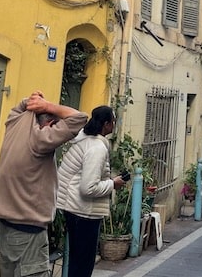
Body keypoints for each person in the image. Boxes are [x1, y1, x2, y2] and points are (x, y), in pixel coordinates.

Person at [0, 91, 87, 277]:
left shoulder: (14, 123)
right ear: (50, 124)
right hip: (28, 231)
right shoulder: (41, 139)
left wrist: (34, 100)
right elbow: (79, 118)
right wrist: (49, 106)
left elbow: (19, 106)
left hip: (5, 226)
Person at [57, 105, 127, 277]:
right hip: (84, 212)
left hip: (74, 208)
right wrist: (113, 184)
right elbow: (88, 188)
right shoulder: (96, 148)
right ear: (106, 124)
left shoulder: (85, 140)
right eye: (113, 121)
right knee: (82, 265)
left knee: (76, 262)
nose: (114, 124)